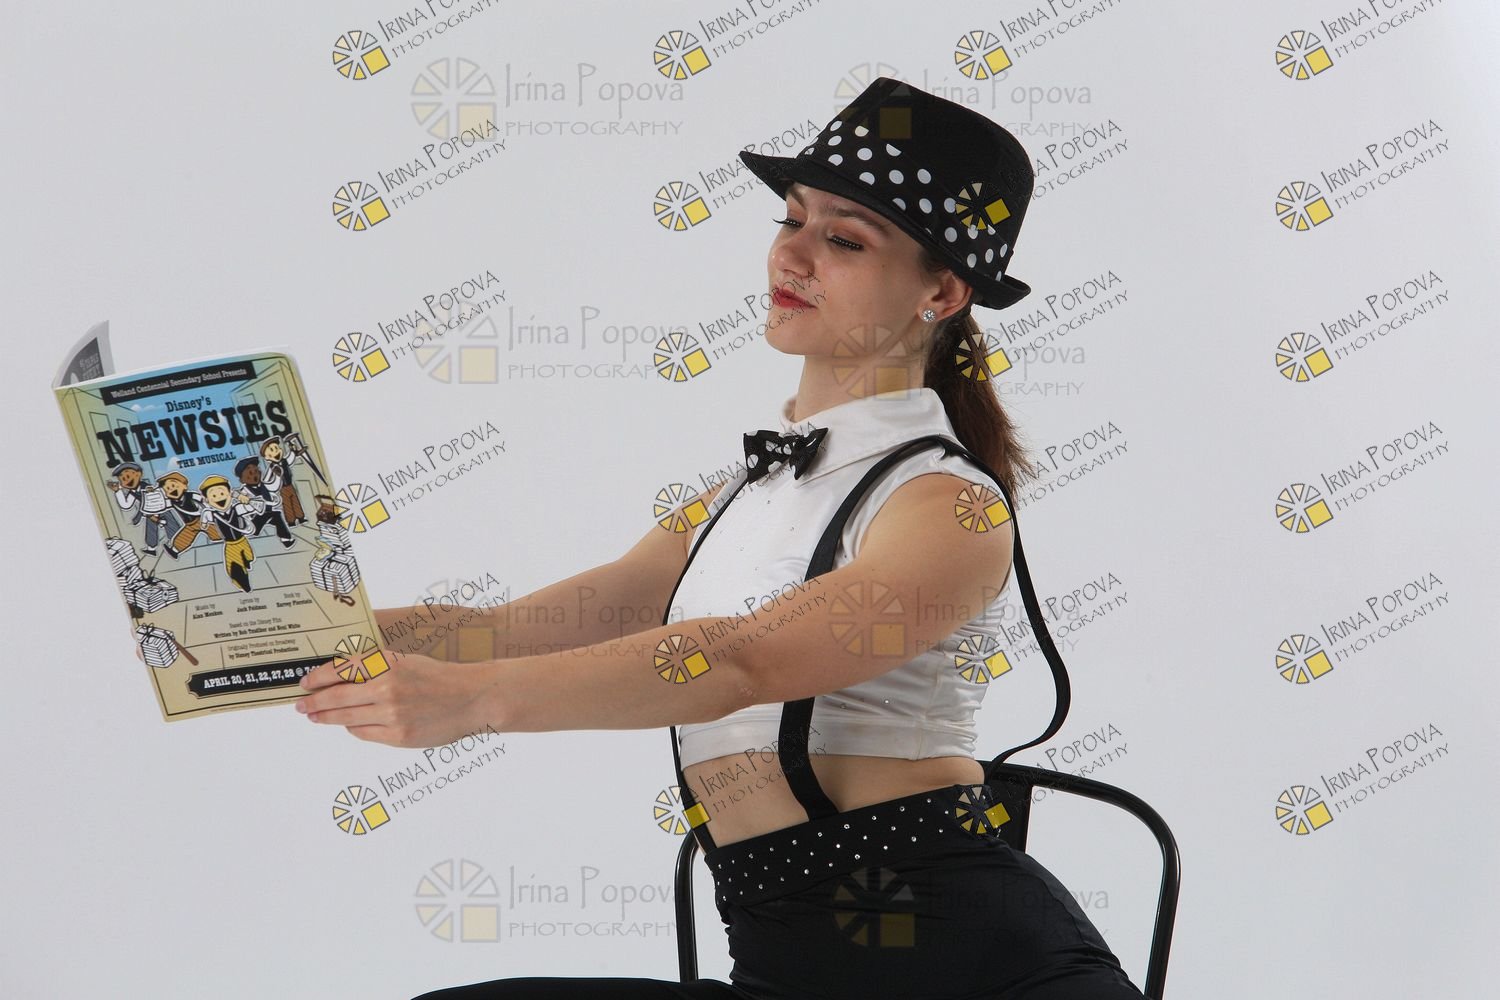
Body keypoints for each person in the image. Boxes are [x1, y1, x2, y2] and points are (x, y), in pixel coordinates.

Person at [296, 78, 1148, 1000]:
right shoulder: (736, 500)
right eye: (792, 219)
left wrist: (475, 703)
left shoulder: (948, 504)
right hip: (782, 964)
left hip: (971, 966)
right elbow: (512, 630)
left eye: (845, 239)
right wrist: (279, 635)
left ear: (940, 290)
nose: (793, 253)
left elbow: (745, 660)